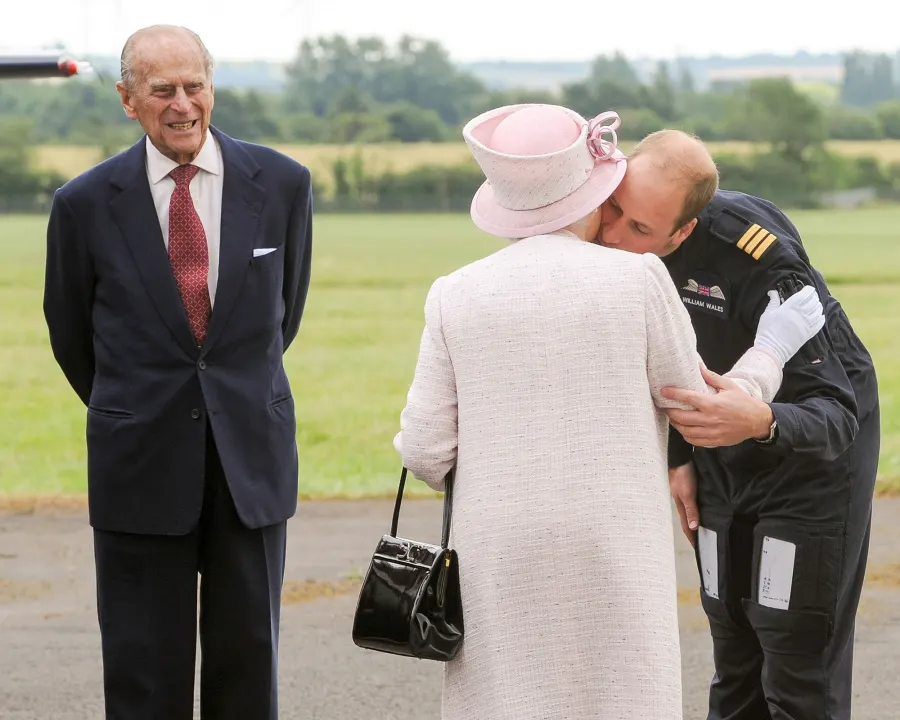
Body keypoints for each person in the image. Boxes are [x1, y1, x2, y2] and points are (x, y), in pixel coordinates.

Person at [391, 103, 825, 720]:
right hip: (614, 545)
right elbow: (700, 410)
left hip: (497, 551)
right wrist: (770, 352)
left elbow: (425, 451)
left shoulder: (452, 295)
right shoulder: (639, 278)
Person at [42, 25, 313, 720]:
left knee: (248, 667)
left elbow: (283, 318)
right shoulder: (82, 204)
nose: (183, 104)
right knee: (142, 676)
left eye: (195, 86)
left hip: (249, 463)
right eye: (162, 90)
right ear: (127, 99)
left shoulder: (283, 183)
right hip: (139, 464)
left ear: (212, 87)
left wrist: (224, 394)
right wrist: (139, 406)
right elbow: (72, 336)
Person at [596, 129, 880, 720]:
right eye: (613, 209)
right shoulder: (602, 236)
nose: (612, 234)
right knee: (733, 647)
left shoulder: (758, 257)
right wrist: (679, 458)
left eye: (639, 228)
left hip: (806, 445)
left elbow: (837, 413)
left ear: (682, 232)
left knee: (796, 654)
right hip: (719, 437)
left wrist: (763, 421)